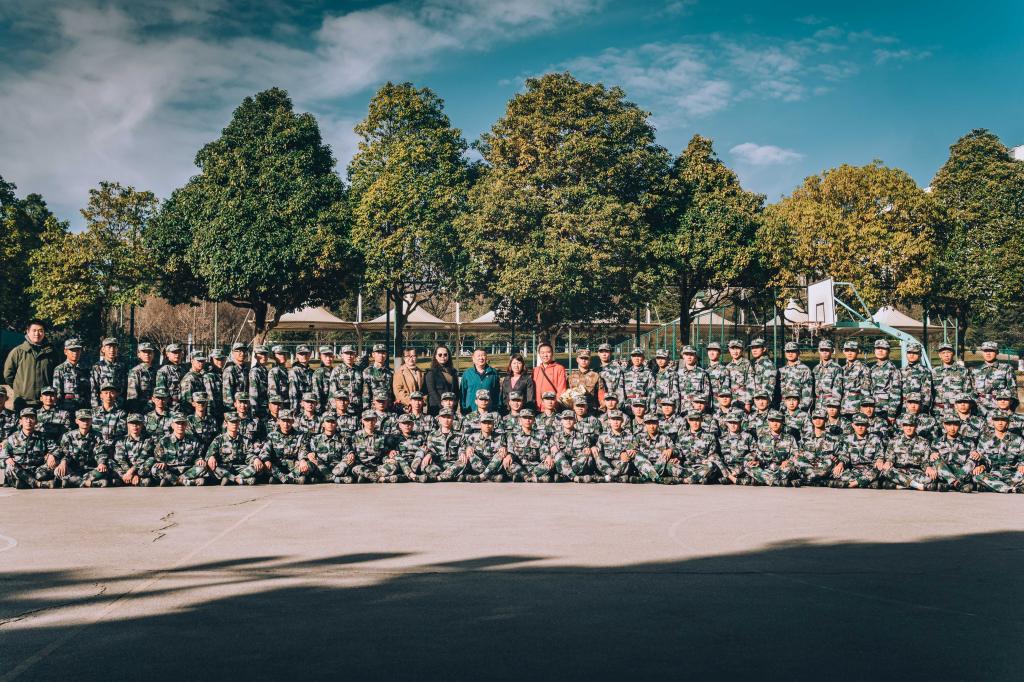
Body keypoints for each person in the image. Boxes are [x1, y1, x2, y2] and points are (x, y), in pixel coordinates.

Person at [3, 320, 57, 412]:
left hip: (45, 401)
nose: (37, 334)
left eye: (40, 331)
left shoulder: (52, 353)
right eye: (34, 330)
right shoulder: (18, 351)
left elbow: (56, 374)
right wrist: (20, 388)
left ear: (44, 333)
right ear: (28, 331)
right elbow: (8, 375)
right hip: (23, 401)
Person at [52, 338, 90, 413]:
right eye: (72, 350)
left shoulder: (85, 369)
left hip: (83, 409)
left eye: (77, 350)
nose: (75, 353)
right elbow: (57, 393)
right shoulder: (60, 369)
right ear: (65, 351)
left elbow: (88, 391)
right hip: (66, 409)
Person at [90, 337, 128, 409]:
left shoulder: (122, 366)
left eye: (114, 347)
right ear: (103, 349)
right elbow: (94, 388)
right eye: (109, 347)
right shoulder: (97, 367)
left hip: (119, 406)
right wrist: (95, 407)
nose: (112, 350)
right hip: (102, 406)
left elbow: (125, 388)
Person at [460, 349, 500, 414]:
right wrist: (464, 409)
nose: (481, 358)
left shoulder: (493, 373)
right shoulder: (467, 373)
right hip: (471, 412)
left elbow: (497, 393)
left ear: (486, 357)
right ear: (473, 358)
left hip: (488, 413)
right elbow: (462, 394)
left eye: (483, 355)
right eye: (478, 356)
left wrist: (495, 408)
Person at [778, 342, 814, 412]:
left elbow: (807, 393)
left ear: (798, 352)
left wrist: (800, 409)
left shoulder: (805, 369)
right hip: (783, 408)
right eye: (788, 351)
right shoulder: (781, 370)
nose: (790, 353)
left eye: (793, 351)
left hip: (798, 409)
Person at [424, 345, 459, 416]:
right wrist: (443, 406)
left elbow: (456, 391)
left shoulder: (453, 372)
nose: (443, 356)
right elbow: (432, 392)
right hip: (436, 409)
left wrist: (454, 405)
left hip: (451, 409)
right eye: (440, 355)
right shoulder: (431, 373)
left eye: (445, 354)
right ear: (435, 356)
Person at [532, 343, 567, 408]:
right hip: (537, 407)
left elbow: (561, 389)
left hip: (552, 407)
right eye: (542, 353)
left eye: (548, 352)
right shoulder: (535, 370)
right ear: (539, 354)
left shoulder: (559, 368)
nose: (545, 355)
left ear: (552, 353)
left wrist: (556, 404)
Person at [126, 342, 157, 414]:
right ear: (139, 355)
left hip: (156, 409)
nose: (147, 354)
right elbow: (132, 395)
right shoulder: (135, 371)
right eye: (144, 352)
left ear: (153, 354)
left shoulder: (157, 371)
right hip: (141, 410)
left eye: (149, 352)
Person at [362, 344, 394, 410]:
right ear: (373, 354)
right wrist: (366, 408)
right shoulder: (367, 371)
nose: (381, 355)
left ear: (386, 355)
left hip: (388, 407)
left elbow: (393, 391)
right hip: (373, 408)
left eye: (383, 353)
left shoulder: (391, 372)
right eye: (378, 353)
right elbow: (366, 392)